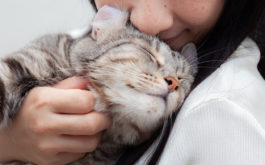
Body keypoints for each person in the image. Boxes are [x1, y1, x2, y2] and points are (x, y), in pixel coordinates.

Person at [0, 0, 265, 164]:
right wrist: (10, 142)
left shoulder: (224, 111)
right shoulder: (84, 40)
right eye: (146, 53)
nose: (148, 23)